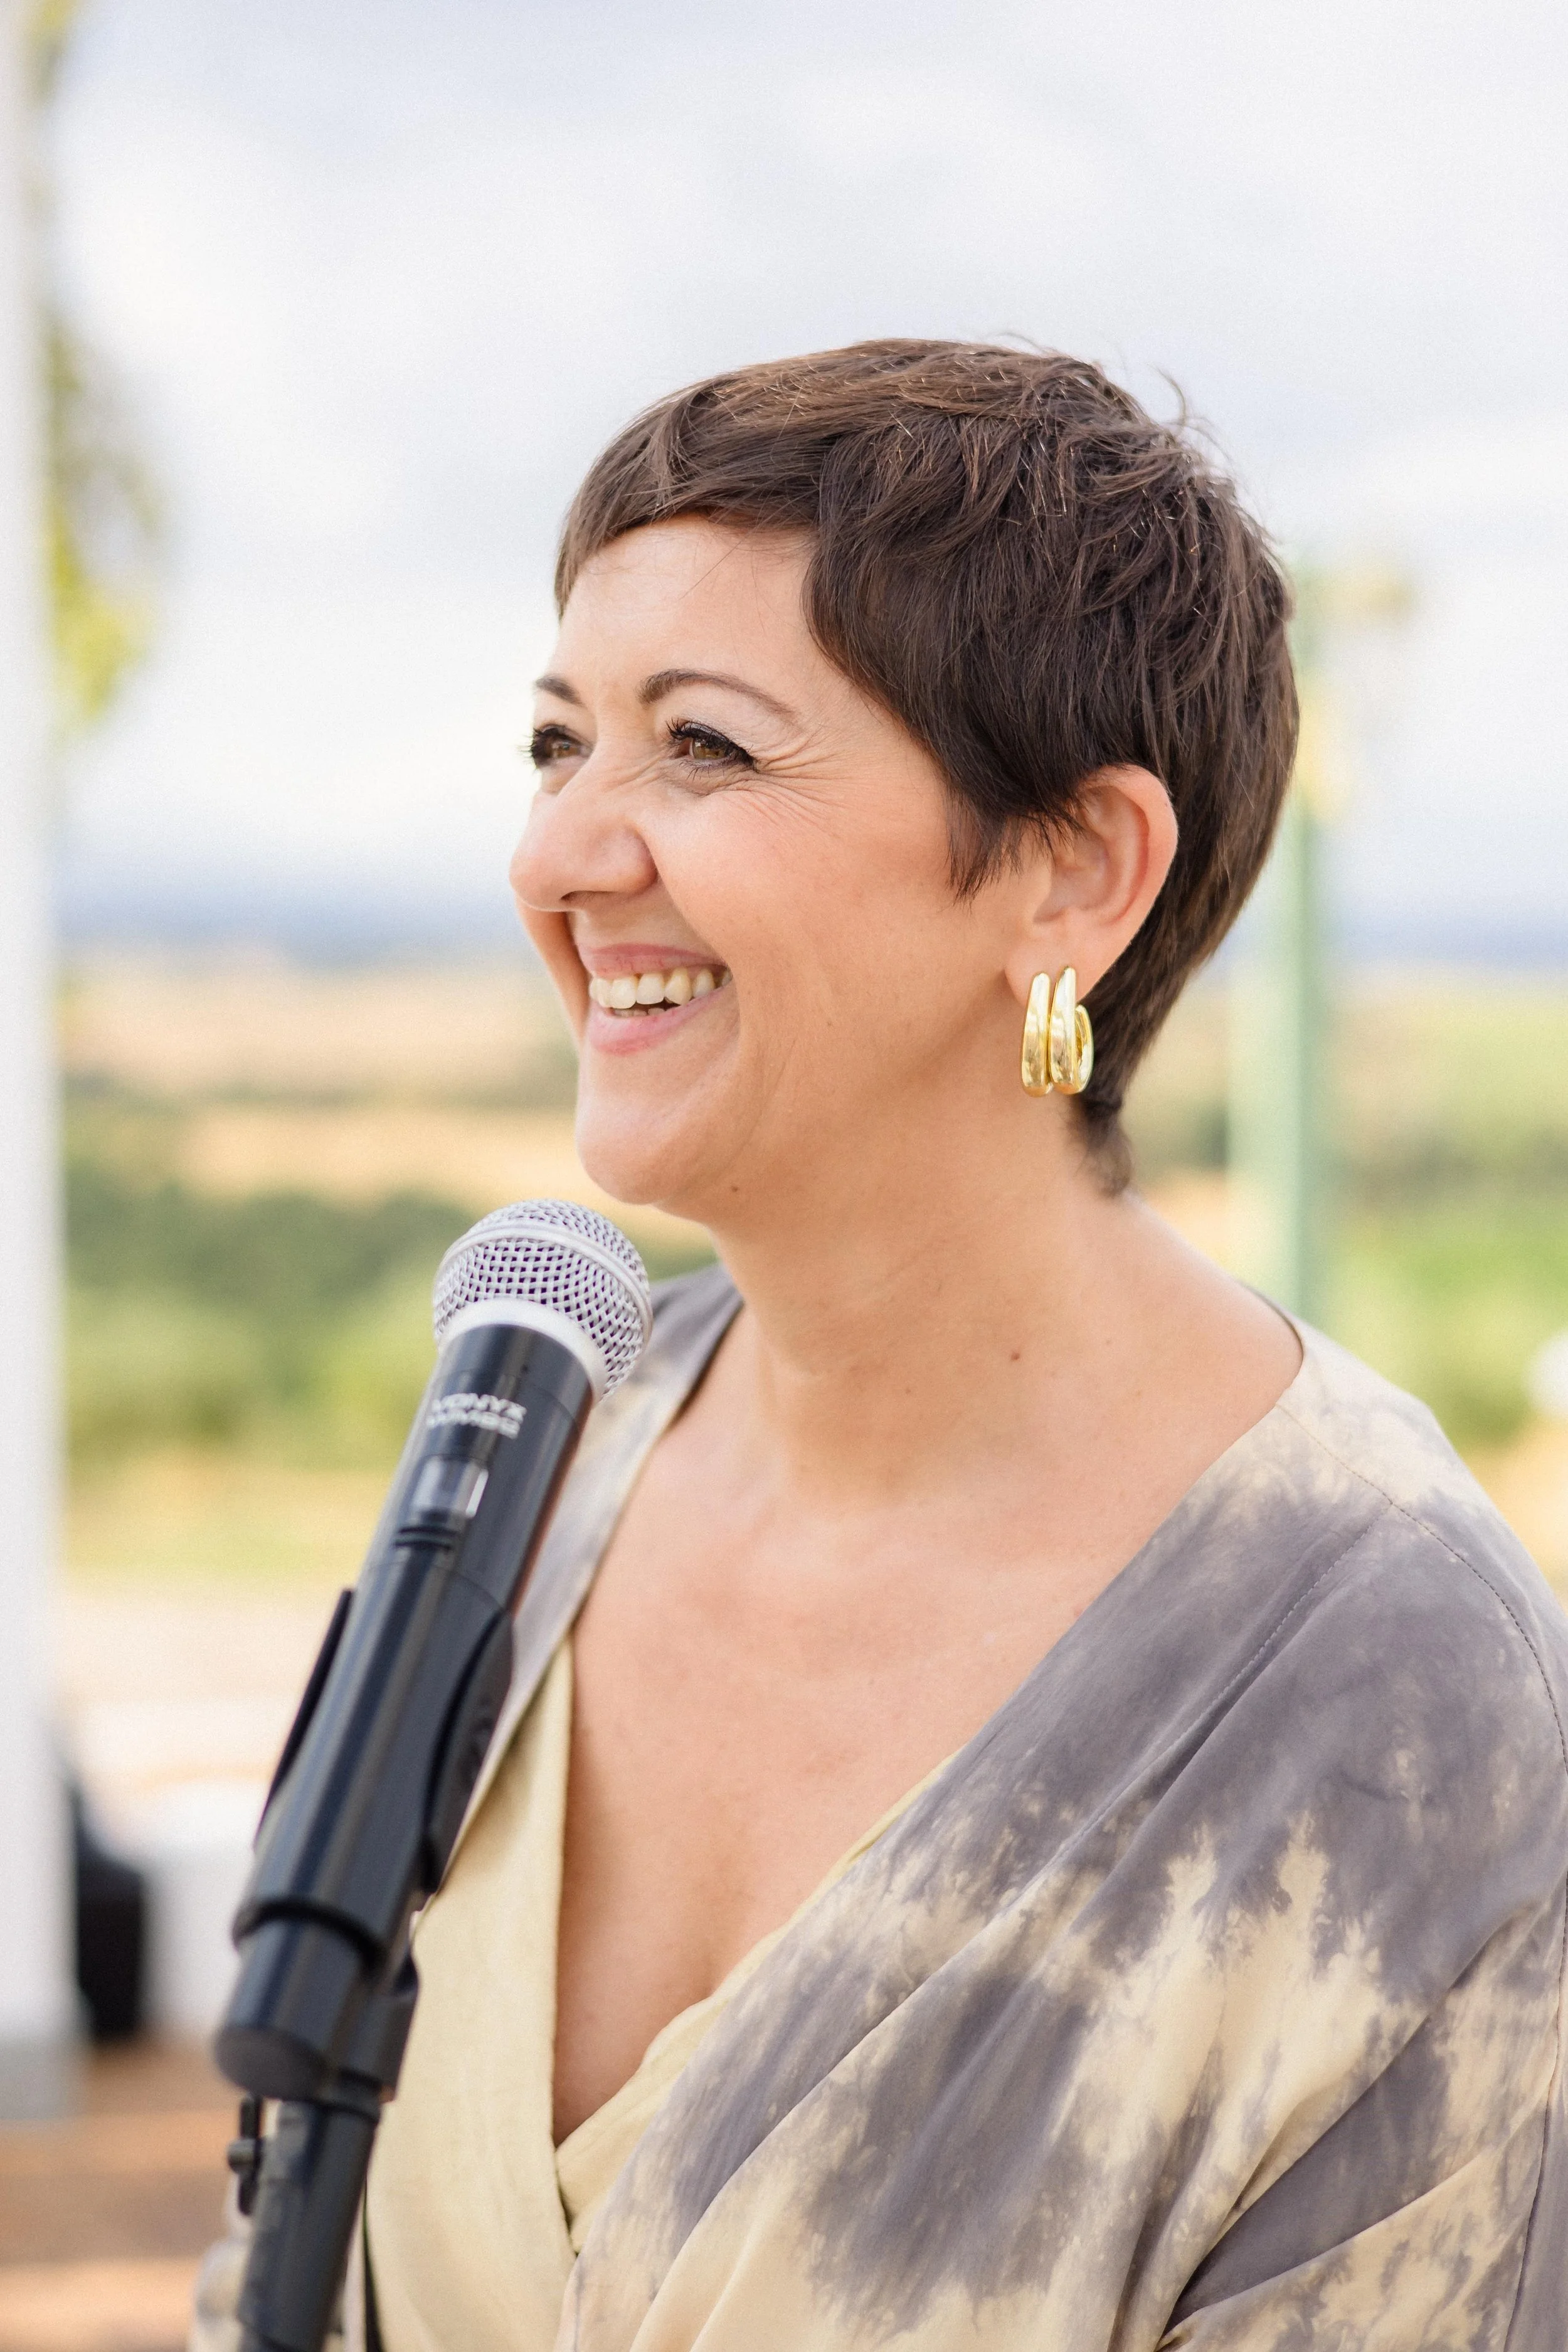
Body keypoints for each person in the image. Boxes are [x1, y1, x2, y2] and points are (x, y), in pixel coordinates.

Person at [196, 342, 1568, 2351]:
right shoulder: (543, 1442)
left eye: (705, 749)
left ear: (1069, 870)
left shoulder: (1393, 1696)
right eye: (557, 743)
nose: (565, 855)